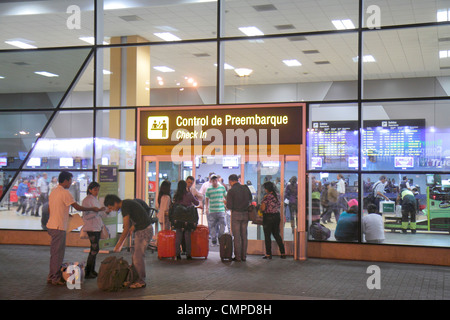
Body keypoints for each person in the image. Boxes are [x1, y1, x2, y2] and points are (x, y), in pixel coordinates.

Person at [46, 171, 102, 286]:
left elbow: (51, 209)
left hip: (52, 225)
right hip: (58, 227)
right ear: (66, 180)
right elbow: (77, 207)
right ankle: (55, 277)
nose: (71, 183)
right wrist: (92, 209)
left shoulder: (54, 192)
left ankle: (51, 275)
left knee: (55, 252)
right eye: (70, 180)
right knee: (58, 253)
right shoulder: (65, 192)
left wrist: (65, 214)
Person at [104, 194, 153, 288]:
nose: (112, 210)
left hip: (144, 231)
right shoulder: (126, 203)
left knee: (137, 256)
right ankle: (133, 279)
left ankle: (141, 281)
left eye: (111, 207)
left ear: (115, 202)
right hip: (142, 230)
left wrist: (119, 244)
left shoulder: (125, 206)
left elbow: (126, 228)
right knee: (135, 256)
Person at [81, 182, 108, 279]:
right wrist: (96, 212)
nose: (97, 192)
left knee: (95, 249)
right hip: (91, 227)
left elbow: (98, 213)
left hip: (96, 227)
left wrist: (102, 211)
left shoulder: (94, 200)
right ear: (90, 190)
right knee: (94, 249)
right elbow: (86, 216)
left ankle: (91, 270)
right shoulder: (86, 201)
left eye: (98, 189)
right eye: (95, 189)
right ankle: (88, 271)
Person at [226, 174, 252, 262]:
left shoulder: (231, 191)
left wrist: (226, 202)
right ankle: (244, 256)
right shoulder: (245, 188)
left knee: (237, 236)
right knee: (244, 235)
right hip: (245, 214)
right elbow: (250, 198)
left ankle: (238, 257)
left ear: (230, 181)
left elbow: (229, 206)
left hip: (236, 214)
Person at [171, 180, 199, 260]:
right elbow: (197, 203)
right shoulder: (189, 194)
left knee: (178, 235)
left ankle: (177, 254)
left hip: (178, 218)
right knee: (187, 236)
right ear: (185, 186)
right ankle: (188, 254)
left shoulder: (176, 196)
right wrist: (195, 198)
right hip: (188, 218)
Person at [260, 181, 286, 259]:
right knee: (277, 235)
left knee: (267, 236)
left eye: (265, 188)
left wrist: (261, 207)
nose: (264, 190)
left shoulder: (267, 196)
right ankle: (283, 253)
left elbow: (263, 208)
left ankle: (268, 254)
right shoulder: (278, 195)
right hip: (276, 216)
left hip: (268, 217)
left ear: (267, 189)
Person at [205, 174, 227, 246]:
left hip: (221, 209)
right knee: (212, 226)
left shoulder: (222, 188)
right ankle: (214, 240)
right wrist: (207, 208)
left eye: (215, 180)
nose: (214, 182)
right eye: (213, 180)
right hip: (212, 210)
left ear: (217, 180)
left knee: (223, 224)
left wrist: (227, 205)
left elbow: (226, 196)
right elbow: (206, 199)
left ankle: (220, 236)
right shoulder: (209, 189)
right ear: (211, 181)